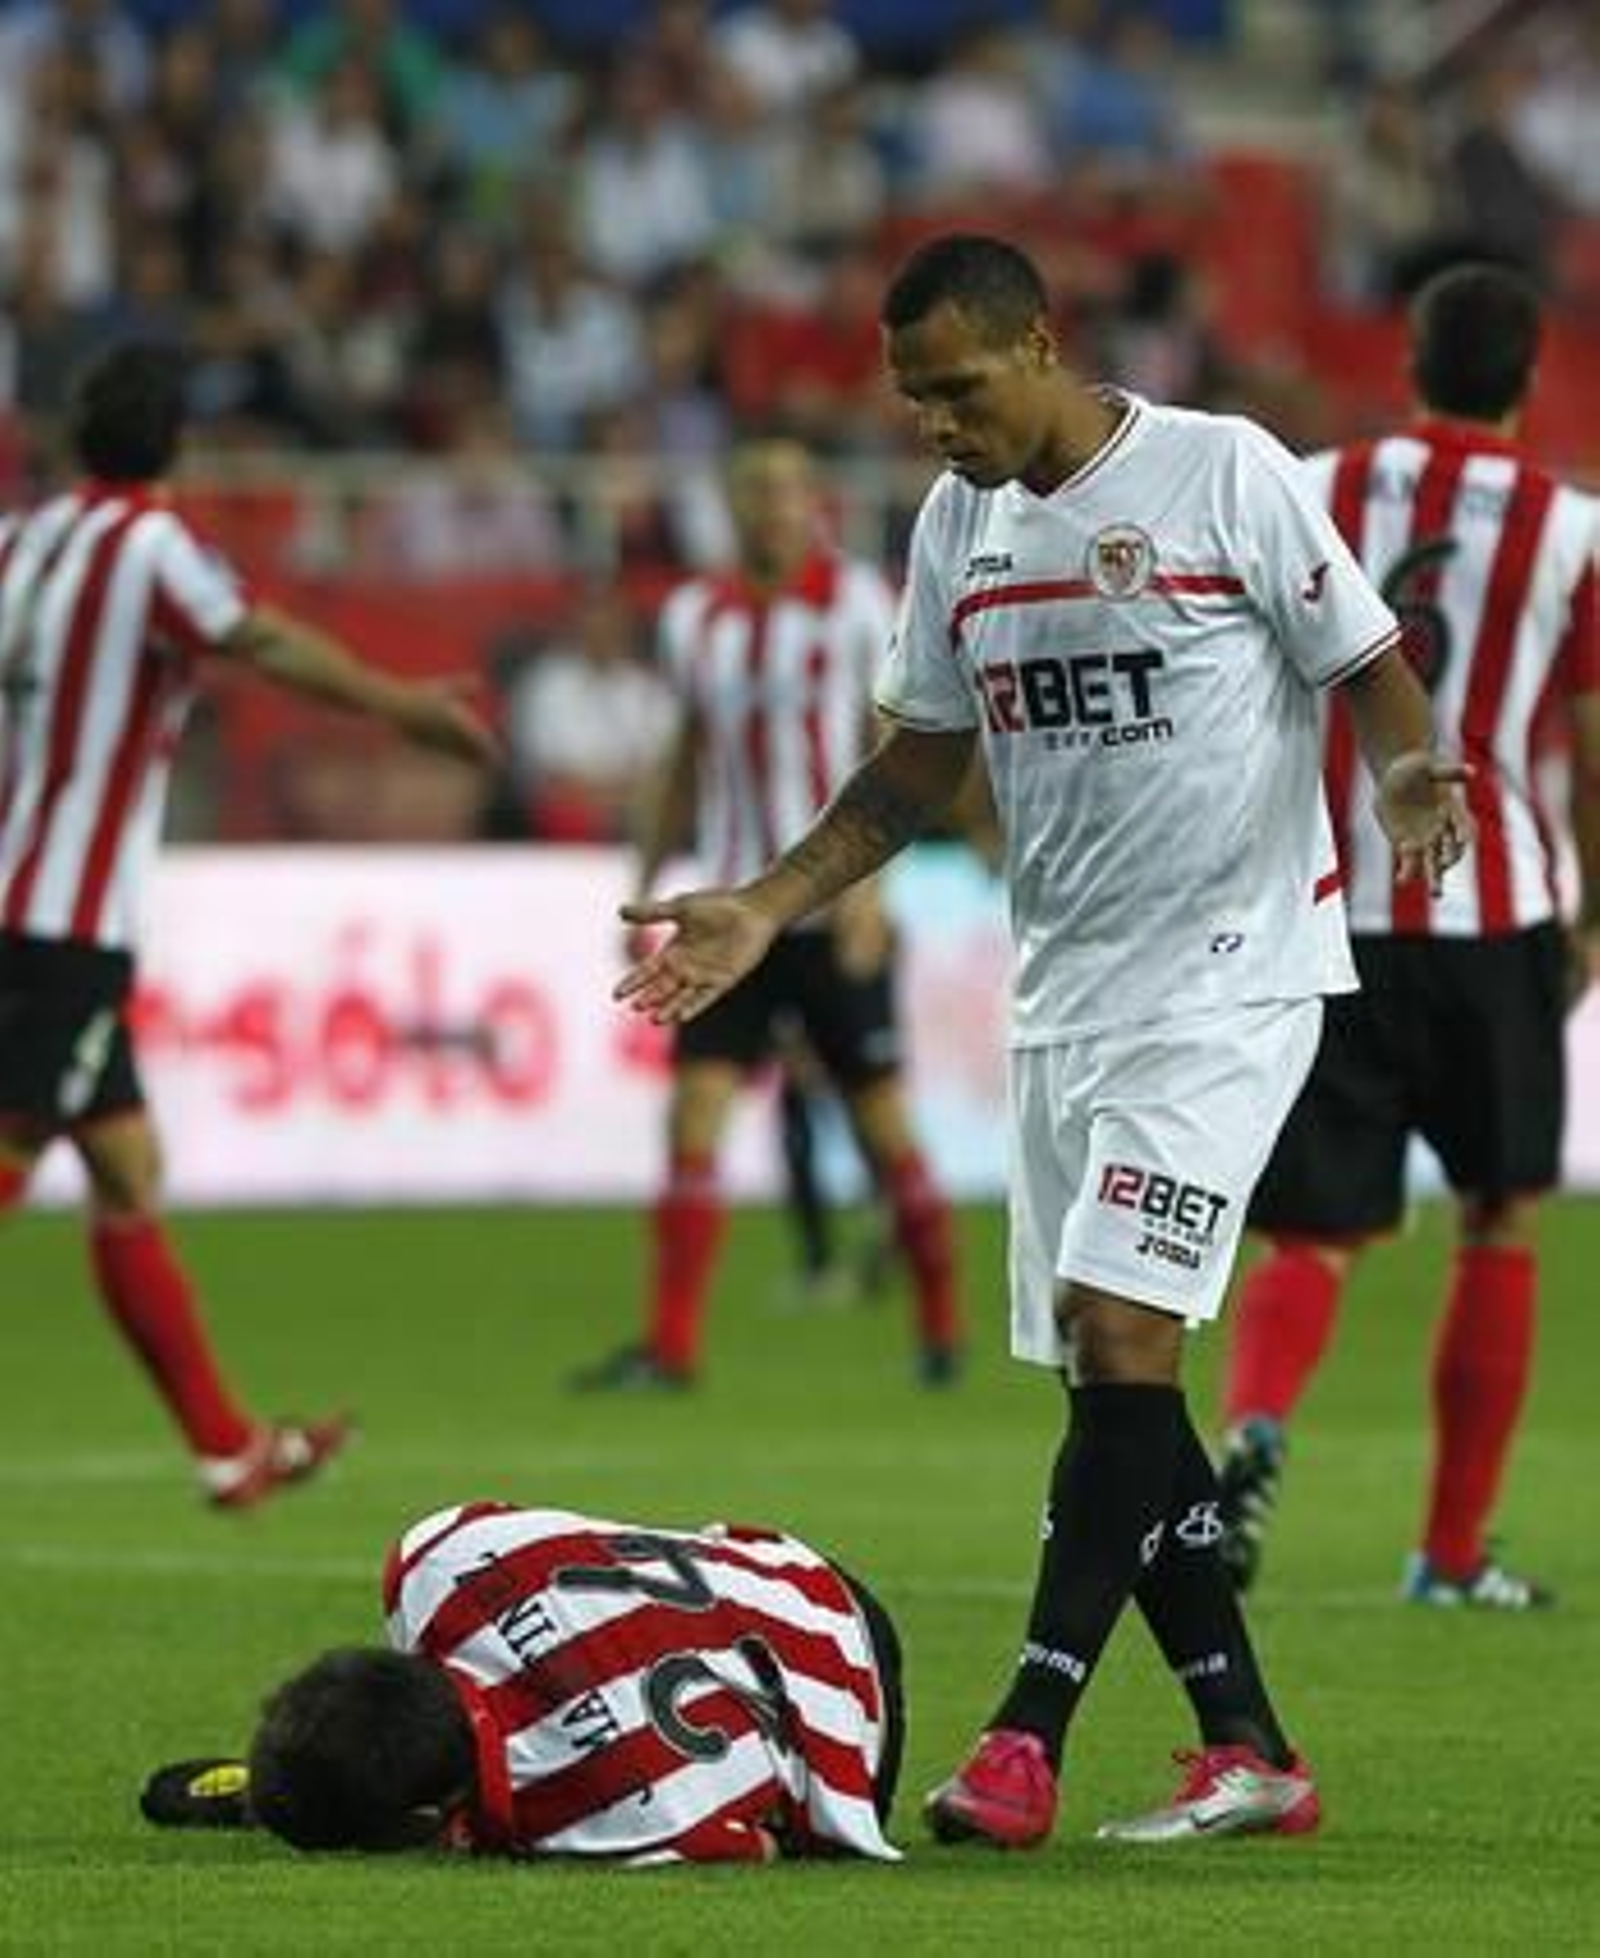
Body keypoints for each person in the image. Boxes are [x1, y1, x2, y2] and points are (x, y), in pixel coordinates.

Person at [614, 235, 1470, 1848]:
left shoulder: (1223, 472)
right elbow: (915, 767)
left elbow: (1368, 660)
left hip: (1232, 975)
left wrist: (1410, 772)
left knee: (1118, 1328)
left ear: (1039, 346)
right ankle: (1248, 1742)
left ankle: (1024, 1734)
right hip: (1064, 992)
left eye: (957, 387)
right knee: (1110, 1374)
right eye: (912, 398)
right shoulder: (958, 529)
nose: (935, 423)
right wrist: (769, 905)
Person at [0, 340, 496, 1507]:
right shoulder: (153, 545)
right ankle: (225, 1442)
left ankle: (227, 1446)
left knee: (127, 1170)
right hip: (64, 920)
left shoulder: (21, 545)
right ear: (176, 449)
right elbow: (257, 637)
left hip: (25, 893)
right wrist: (399, 707)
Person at [1216, 263, 1600, 1609]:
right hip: (1498, 911)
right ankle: (1448, 1552)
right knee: (1498, 1223)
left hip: (1332, 915)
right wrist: (1593, 916)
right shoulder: (1571, 527)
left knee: (1311, 1236)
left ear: (1411, 361)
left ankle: (1256, 1423)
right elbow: (1594, 745)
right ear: (1531, 377)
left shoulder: (1307, 483)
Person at [576, 437, 962, 1390]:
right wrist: (647, 872)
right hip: (729, 916)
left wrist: (874, 891)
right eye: (754, 490)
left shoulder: (864, 606)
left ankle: (941, 1330)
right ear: (733, 504)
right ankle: (670, 1348)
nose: (773, 506)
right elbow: (687, 755)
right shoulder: (695, 617)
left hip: (832, 910)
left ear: (812, 501)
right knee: (693, 1117)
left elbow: (894, 750)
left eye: (789, 489)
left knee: (880, 1120)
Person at [138, 1495, 904, 1864]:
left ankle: (320, 1796)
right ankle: (331, 1785)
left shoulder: (614, 1816)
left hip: (848, 1699)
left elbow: (756, 1848)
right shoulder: (432, 1561)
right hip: (775, 1567)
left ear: (430, 1818)